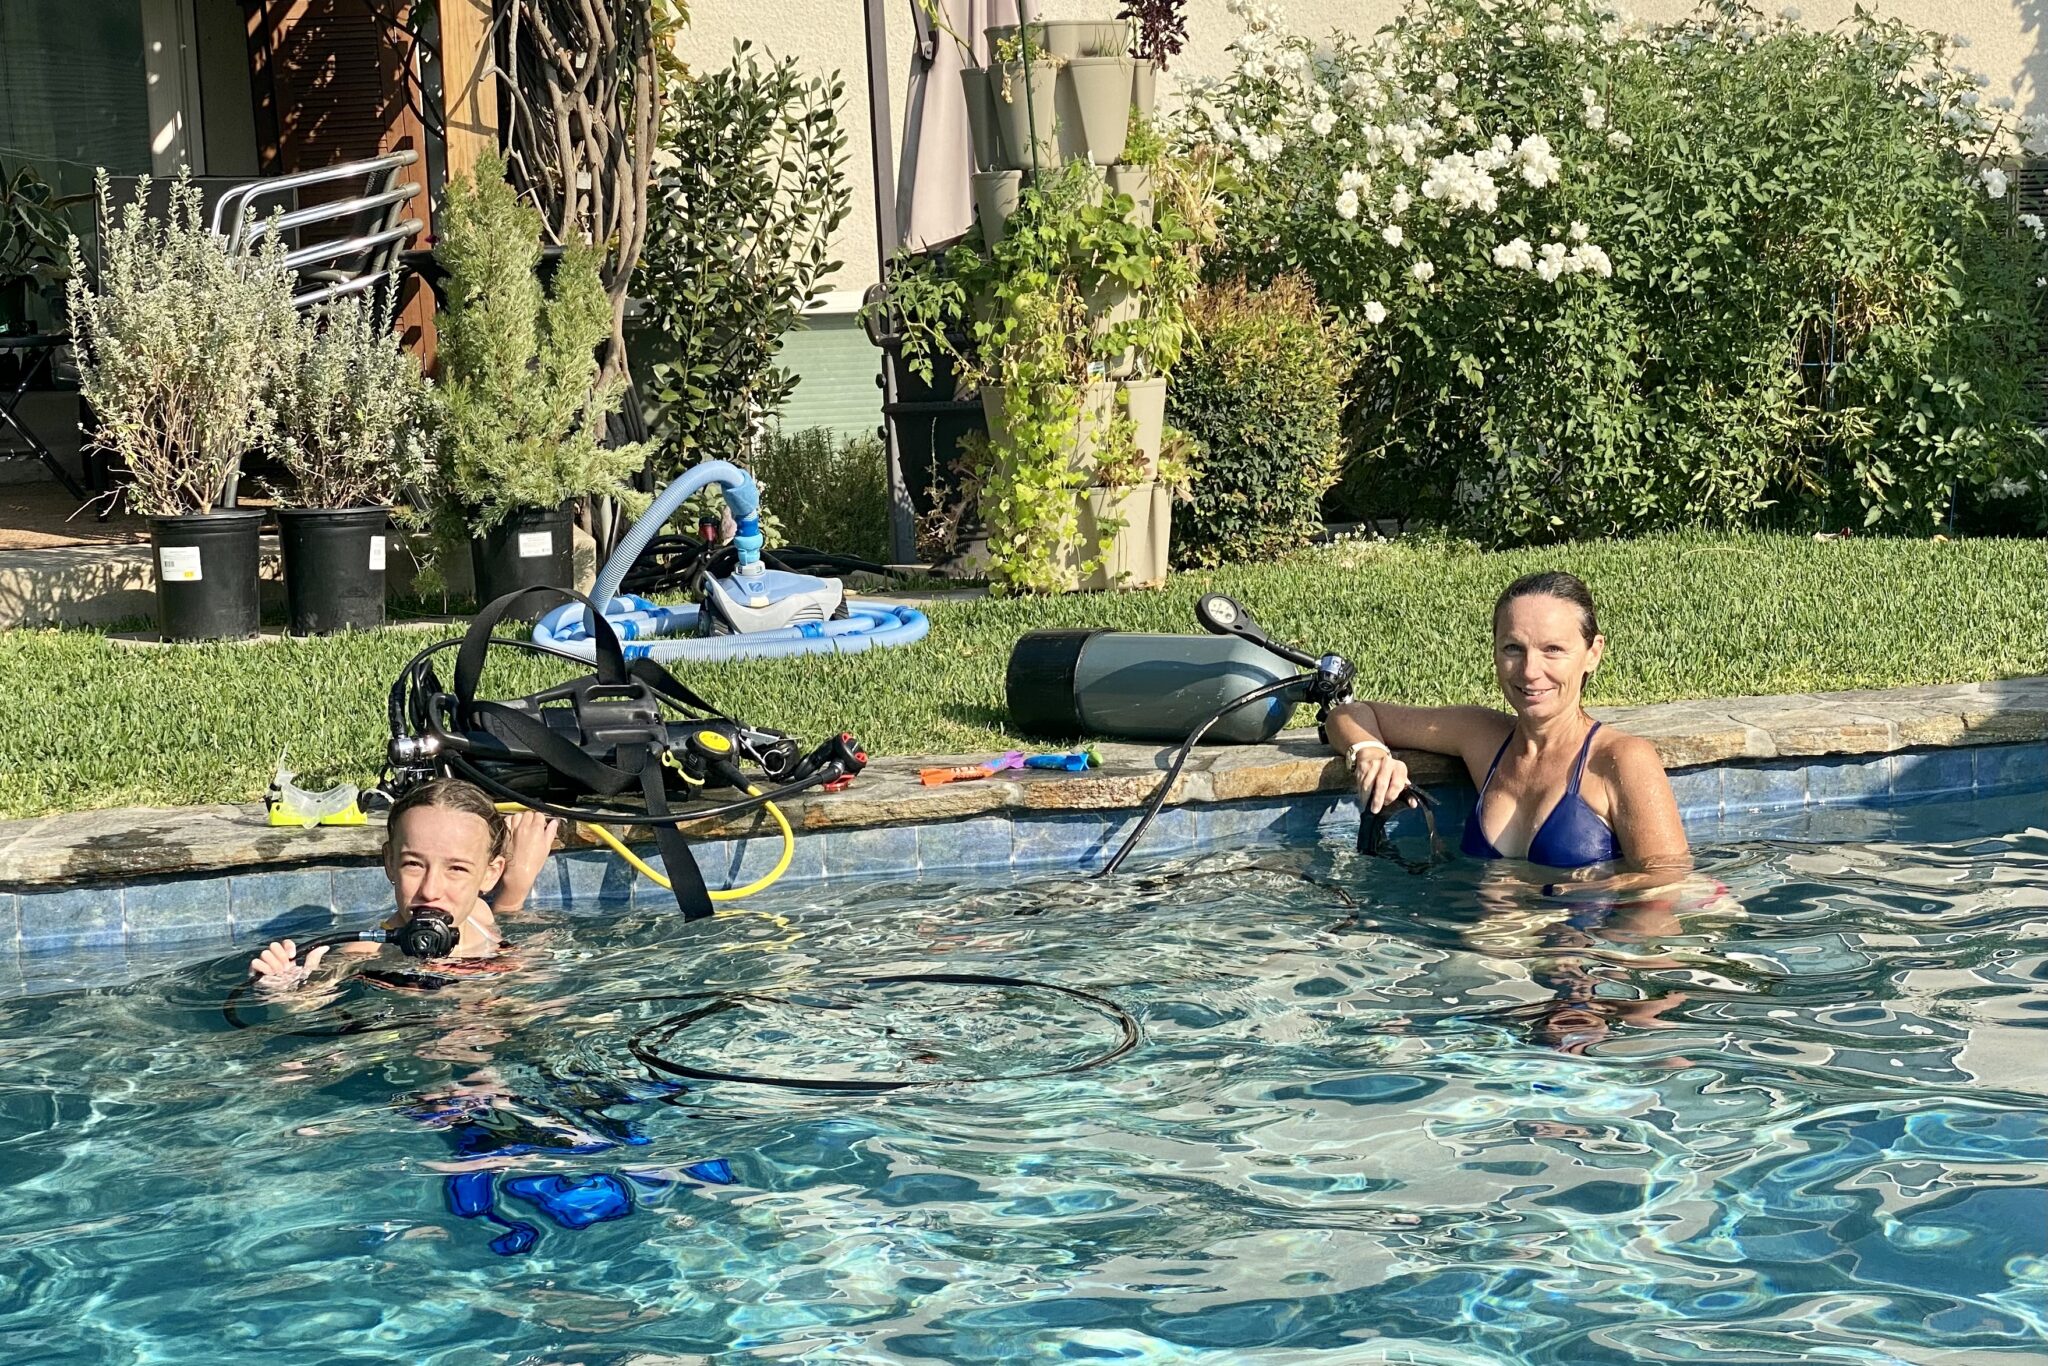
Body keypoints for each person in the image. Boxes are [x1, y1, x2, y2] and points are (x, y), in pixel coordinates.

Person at [1325, 570, 1691, 895]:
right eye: (1513, 648)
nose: (1530, 670)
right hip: (1489, 943)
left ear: (1592, 653)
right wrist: (1370, 753)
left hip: (1583, 946)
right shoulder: (1482, 737)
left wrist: (1545, 894)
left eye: (1553, 649)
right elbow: (1348, 714)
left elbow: (1668, 882)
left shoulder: (1620, 759)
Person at [246, 777, 560, 991]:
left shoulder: (479, 915)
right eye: (413, 864)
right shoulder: (365, 952)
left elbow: (506, 925)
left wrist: (517, 886)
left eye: (457, 869)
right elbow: (312, 998)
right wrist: (286, 989)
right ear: (390, 862)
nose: (430, 890)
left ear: (490, 874)